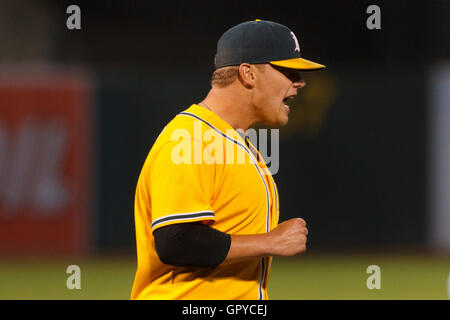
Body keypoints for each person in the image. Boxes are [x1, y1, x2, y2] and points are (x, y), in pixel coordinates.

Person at [130, 19, 325, 300]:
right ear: (248, 73)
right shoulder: (190, 139)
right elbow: (176, 241)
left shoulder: (234, 142)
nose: (299, 82)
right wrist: (270, 241)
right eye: (288, 70)